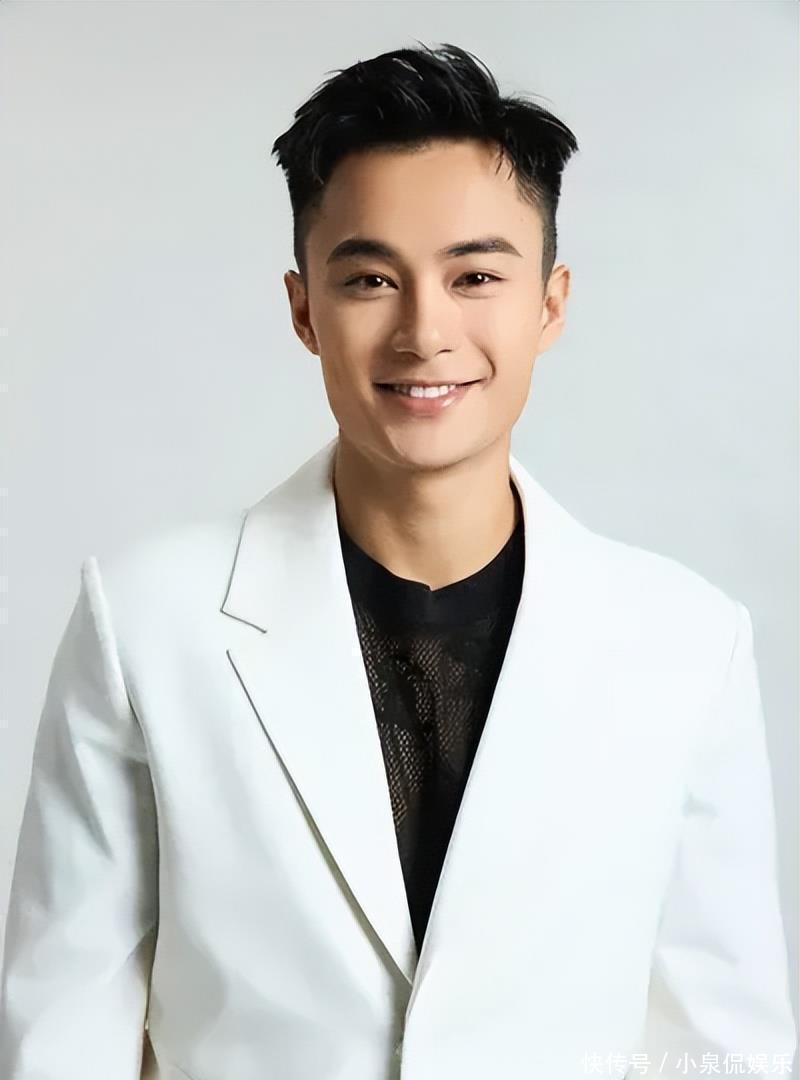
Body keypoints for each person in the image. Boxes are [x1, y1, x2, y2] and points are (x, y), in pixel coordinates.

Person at [0, 40, 795, 1080]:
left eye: (475, 276)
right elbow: (61, 1041)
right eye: (370, 279)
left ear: (549, 303)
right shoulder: (146, 624)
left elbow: (724, 1051)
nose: (425, 331)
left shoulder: (685, 644)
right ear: (304, 309)